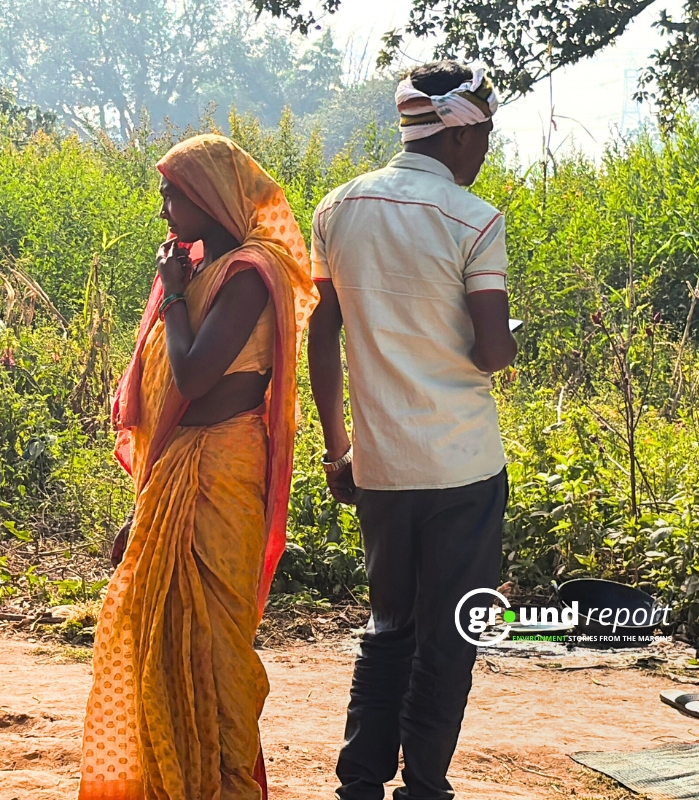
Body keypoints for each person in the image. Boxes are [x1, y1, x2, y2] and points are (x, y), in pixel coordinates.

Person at [79, 134, 319, 800]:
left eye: (172, 195)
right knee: (150, 638)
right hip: (181, 469)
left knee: (212, 657)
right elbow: (170, 401)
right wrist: (143, 506)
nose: (163, 210)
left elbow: (192, 372)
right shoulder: (202, 266)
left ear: (212, 197)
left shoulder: (248, 273)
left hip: (222, 471)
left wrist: (175, 295)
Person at [307, 61, 518, 800]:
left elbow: (323, 331)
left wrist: (338, 451)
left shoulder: (337, 209)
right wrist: (506, 339)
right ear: (459, 134)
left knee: (387, 626)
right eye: (485, 135)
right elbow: (491, 353)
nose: (487, 150)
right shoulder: (474, 219)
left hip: (383, 469)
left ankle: (359, 782)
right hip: (462, 466)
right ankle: (425, 787)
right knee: (452, 635)